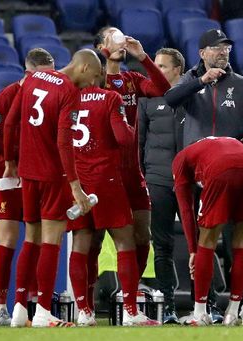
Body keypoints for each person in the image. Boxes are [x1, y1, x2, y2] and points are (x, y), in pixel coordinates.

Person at [165, 28, 243, 322]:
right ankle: (207, 305)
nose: (223, 52)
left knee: (238, 240)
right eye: (216, 48)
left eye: (226, 48)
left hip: (230, 172)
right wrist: (200, 81)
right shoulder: (190, 80)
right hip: (198, 170)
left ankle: (242, 305)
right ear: (202, 53)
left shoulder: (241, 84)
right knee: (204, 241)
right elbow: (170, 98)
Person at [2, 49, 99, 328]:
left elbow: (10, 121)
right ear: (82, 68)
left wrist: (10, 160)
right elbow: (64, 142)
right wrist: (75, 186)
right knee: (51, 241)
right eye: (92, 76)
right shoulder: (68, 91)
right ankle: (44, 310)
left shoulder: (34, 78)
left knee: (30, 239)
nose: (92, 84)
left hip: (28, 174)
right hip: (52, 176)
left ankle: (19, 309)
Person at [68, 52, 159, 327]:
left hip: (78, 181)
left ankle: (84, 311)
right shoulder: (111, 98)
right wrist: (129, 128)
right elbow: (123, 138)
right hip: (107, 180)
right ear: (96, 73)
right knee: (124, 241)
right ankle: (131, 312)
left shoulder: (67, 99)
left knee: (82, 243)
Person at [94, 27, 172, 282]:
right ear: (99, 48)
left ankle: (130, 292)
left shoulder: (132, 80)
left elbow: (163, 88)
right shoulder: (93, 81)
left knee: (142, 236)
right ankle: (87, 304)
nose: (119, 43)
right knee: (91, 241)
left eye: (121, 39)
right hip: (101, 170)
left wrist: (143, 57)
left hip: (132, 170)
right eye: (111, 39)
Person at [0, 49, 47, 326]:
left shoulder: (47, 97)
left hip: (36, 176)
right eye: (42, 75)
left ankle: (31, 305)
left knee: (36, 239)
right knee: (8, 241)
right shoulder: (8, 96)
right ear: (28, 72)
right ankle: (0, 307)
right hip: (8, 175)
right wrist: (21, 155)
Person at [172, 136, 243, 326]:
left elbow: (186, 209)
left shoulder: (180, 159)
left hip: (221, 169)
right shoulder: (217, 144)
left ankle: (199, 313)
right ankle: (233, 311)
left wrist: (192, 250)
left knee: (207, 240)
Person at [138, 47, 185, 324]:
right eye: (154, 65)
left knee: (199, 244)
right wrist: (143, 176)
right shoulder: (147, 97)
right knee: (163, 244)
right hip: (158, 178)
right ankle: (167, 306)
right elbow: (139, 141)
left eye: (163, 66)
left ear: (178, 70)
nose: (156, 70)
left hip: (189, 181)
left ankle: (206, 305)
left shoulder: (191, 94)